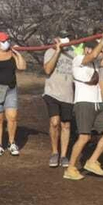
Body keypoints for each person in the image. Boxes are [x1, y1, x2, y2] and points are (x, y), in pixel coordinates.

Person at [66, 30, 103, 180]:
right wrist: (102, 38)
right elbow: (93, 55)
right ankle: (70, 168)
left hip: (97, 104)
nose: (101, 52)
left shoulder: (97, 64)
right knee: (84, 137)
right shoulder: (78, 60)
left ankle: (92, 161)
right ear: (88, 49)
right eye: (99, 49)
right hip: (84, 103)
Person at [42, 36, 79, 169]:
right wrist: (57, 51)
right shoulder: (49, 51)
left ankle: (63, 155)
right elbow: (47, 70)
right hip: (51, 93)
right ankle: (54, 152)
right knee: (54, 122)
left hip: (68, 95)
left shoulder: (74, 53)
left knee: (66, 125)